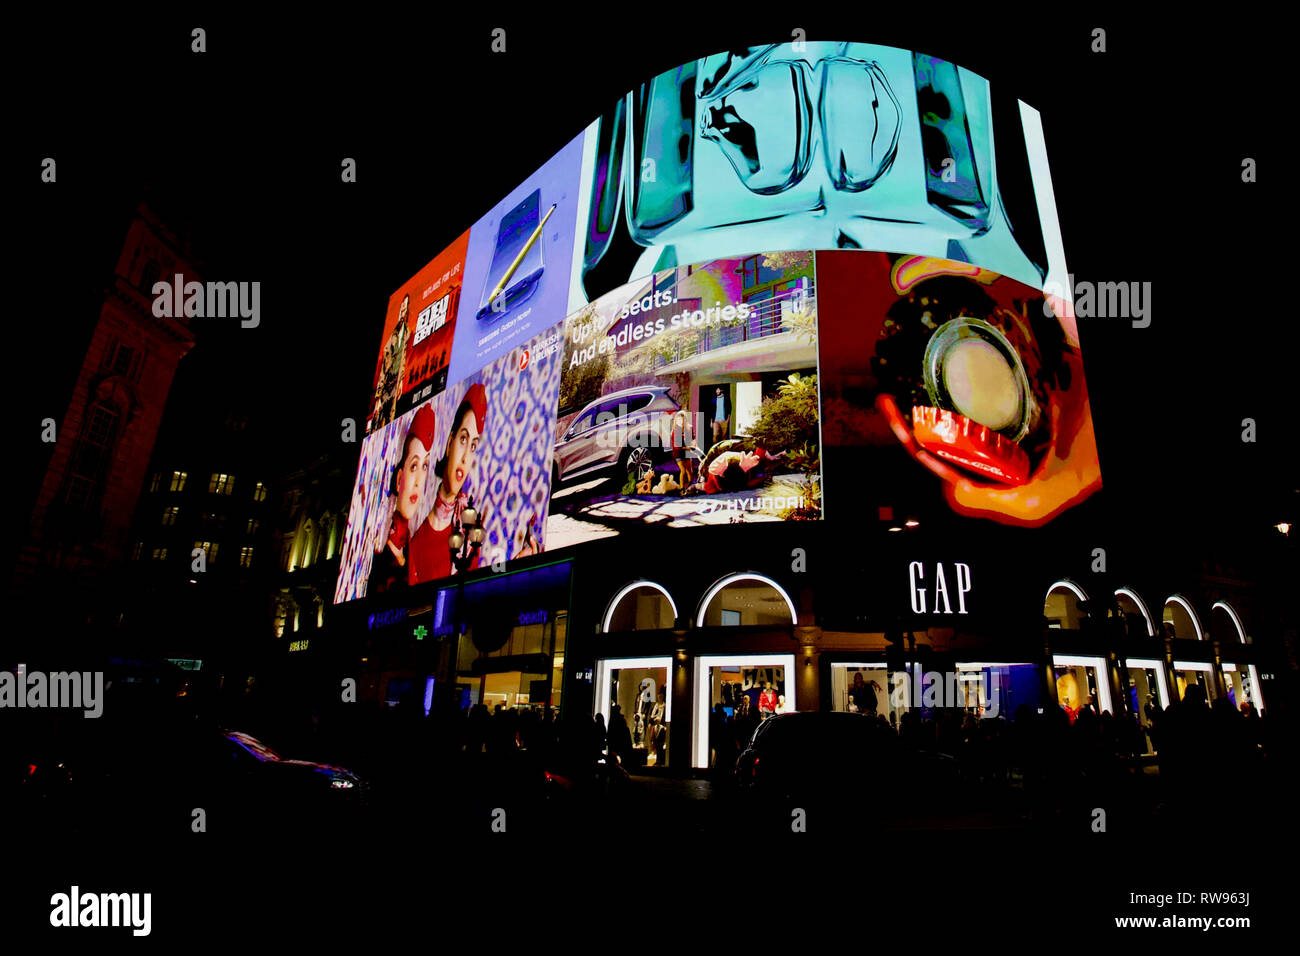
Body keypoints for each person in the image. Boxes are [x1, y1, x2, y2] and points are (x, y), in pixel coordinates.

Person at [409, 384, 487, 584]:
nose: (465, 458)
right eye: (463, 439)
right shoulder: (416, 534)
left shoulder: (471, 531)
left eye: (473, 446)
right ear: (449, 443)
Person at [370, 404, 435, 594]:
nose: (418, 482)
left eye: (425, 466)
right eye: (414, 466)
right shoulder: (377, 544)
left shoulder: (415, 547)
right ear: (399, 479)